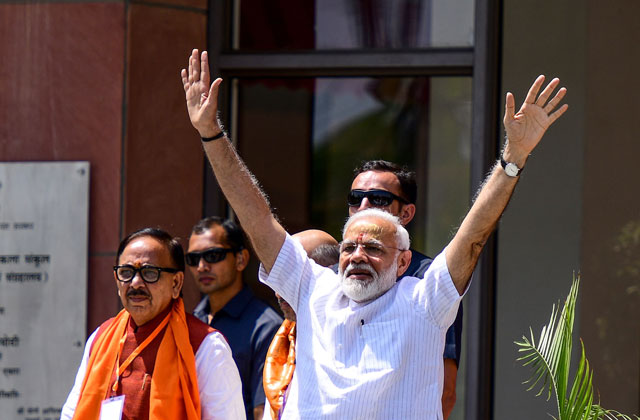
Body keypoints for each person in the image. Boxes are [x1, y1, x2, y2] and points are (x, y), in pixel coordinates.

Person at [181, 48, 568, 419]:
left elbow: (474, 234)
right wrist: (210, 132)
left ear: (403, 261)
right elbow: (256, 216)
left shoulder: (426, 301)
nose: (357, 255)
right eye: (349, 246)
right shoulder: (312, 289)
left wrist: (513, 157)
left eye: (373, 247)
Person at [61, 227, 245, 420]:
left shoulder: (206, 347)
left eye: (149, 272)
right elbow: (71, 413)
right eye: (126, 272)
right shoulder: (101, 338)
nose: (136, 283)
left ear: (176, 283)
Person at [347, 159, 463, 418]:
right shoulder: (335, 277)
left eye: (378, 199)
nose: (363, 207)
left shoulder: (429, 282)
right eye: (356, 198)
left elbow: (445, 392)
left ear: (406, 214)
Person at [188, 216, 283, 420]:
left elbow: (264, 412)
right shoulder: (189, 322)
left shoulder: (267, 326)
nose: (202, 266)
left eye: (213, 255)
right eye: (193, 259)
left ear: (241, 259)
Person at [262, 230, 339, 420]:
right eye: (277, 281)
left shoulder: (346, 337)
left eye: (292, 280)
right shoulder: (284, 339)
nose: (279, 293)